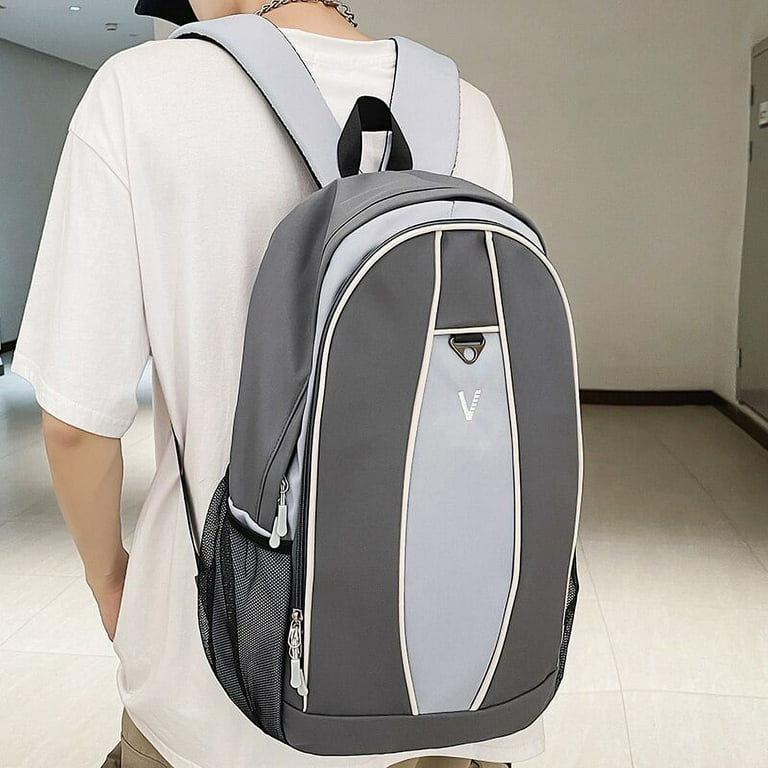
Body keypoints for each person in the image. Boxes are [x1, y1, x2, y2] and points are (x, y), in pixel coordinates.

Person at [11, 0, 545, 766]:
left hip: (221, 678)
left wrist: (111, 583)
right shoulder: (469, 109)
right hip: (450, 670)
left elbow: (75, 425)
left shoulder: (140, 91)